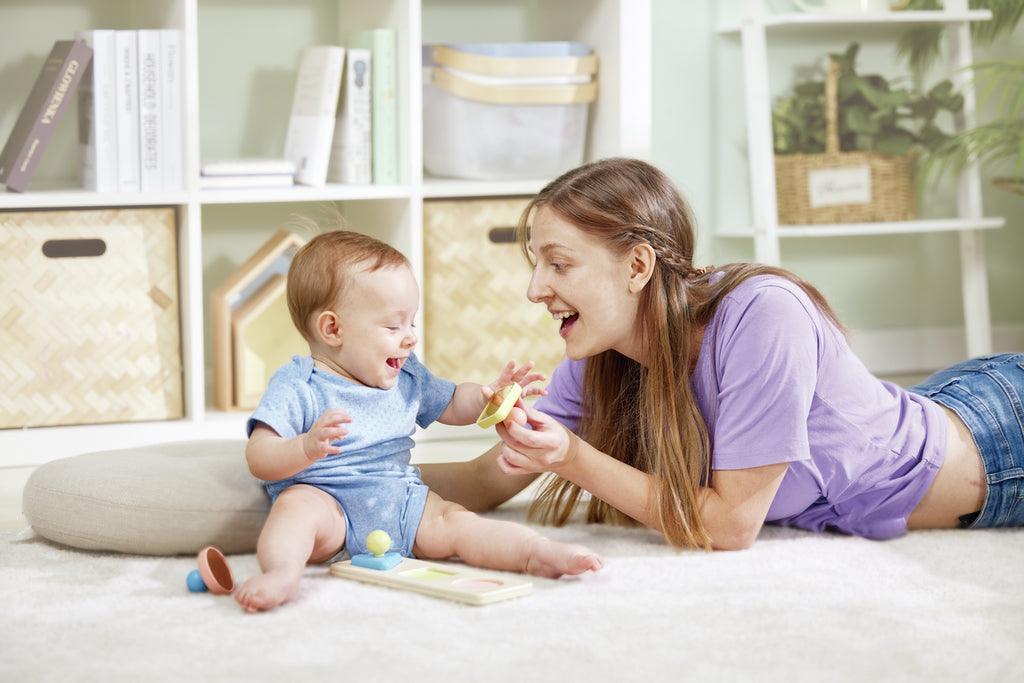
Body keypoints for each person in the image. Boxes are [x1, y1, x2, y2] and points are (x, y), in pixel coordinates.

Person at [417, 157, 1023, 551]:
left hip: (999, 443)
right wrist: (364, 470)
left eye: (559, 263)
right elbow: (483, 479)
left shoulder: (763, 315)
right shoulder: (595, 357)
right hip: (940, 404)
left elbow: (730, 525)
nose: (534, 289)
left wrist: (572, 458)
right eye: (537, 264)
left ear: (637, 266)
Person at [236, 229, 601, 612]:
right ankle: (282, 573)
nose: (410, 338)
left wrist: (488, 396)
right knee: (294, 509)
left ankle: (534, 553)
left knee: (457, 522)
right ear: (333, 329)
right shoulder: (299, 384)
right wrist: (305, 447)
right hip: (329, 506)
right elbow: (259, 456)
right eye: (394, 326)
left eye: (411, 323)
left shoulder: (407, 374)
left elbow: (452, 402)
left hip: (401, 501)